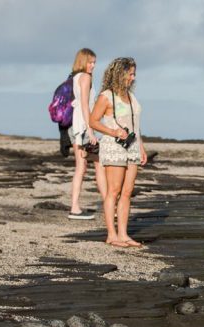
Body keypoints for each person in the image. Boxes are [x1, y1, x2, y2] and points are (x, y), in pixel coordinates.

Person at [88, 57, 147, 248]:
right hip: (114, 146)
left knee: (128, 192)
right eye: (130, 73)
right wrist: (113, 132)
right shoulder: (106, 96)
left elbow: (136, 126)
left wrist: (142, 147)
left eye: (134, 74)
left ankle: (123, 234)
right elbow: (93, 121)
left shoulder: (131, 96)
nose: (133, 77)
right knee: (114, 191)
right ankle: (111, 235)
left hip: (132, 147)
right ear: (120, 73)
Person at [68, 48, 107, 219]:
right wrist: (91, 130)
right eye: (90, 62)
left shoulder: (75, 77)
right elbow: (85, 105)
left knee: (85, 167)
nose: (93, 66)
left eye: (94, 63)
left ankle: (78, 207)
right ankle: (106, 204)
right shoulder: (85, 77)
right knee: (90, 166)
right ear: (83, 61)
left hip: (78, 126)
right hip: (83, 128)